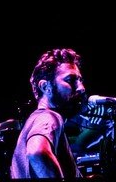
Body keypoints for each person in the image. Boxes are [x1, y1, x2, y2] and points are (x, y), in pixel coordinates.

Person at [10, 48, 86, 179]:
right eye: (70, 80)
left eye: (80, 80)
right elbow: (37, 152)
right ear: (45, 87)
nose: (81, 88)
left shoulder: (36, 118)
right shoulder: (49, 116)